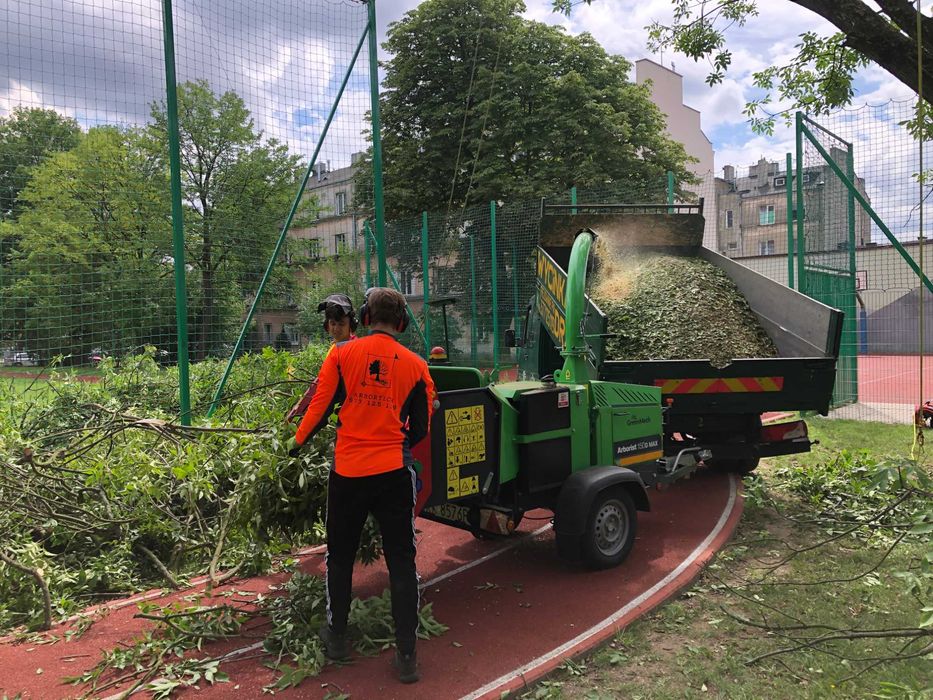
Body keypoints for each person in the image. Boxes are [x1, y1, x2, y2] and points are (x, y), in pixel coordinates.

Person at [288, 287, 435, 684]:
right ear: (401, 322)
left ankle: (337, 638)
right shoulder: (417, 366)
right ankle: (407, 655)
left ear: (366, 317)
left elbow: (319, 406)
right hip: (393, 475)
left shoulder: (340, 354)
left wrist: (295, 444)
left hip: (349, 474)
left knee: (339, 556)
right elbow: (421, 429)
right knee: (402, 562)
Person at [286, 293, 358, 423]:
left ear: (351, 325)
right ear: (327, 325)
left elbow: (323, 392)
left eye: (341, 324)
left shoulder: (350, 350)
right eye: (332, 323)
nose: (336, 328)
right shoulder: (337, 347)